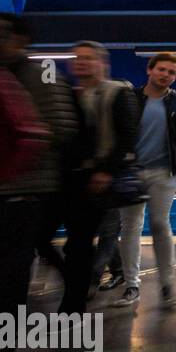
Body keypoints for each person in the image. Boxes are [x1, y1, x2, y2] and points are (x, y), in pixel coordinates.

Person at [1, 14, 77, 352]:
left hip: (29, 185)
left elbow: (61, 127)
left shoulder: (43, 73)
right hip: (14, 183)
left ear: (20, 40)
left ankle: (6, 340)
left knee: (15, 264)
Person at [60, 41, 140, 315]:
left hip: (104, 181)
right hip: (74, 179)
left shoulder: (117, 93)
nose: (81, 62)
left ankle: (76, 299)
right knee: (77, 243)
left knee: (91, 239)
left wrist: (106, 169)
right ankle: (77, 292)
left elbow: (128, 135)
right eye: (77, 58)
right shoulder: (71, 95)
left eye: (88, 58)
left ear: (102, 63)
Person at [112, 52, 176, 310]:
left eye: (172, 72)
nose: (166, 75)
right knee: (130, 226)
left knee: (160, 225)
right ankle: (131, 285)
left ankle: (168, 284)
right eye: (162, 69)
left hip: (164, 173)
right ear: (150, 70)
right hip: (132, 172)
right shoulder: (130, 99)